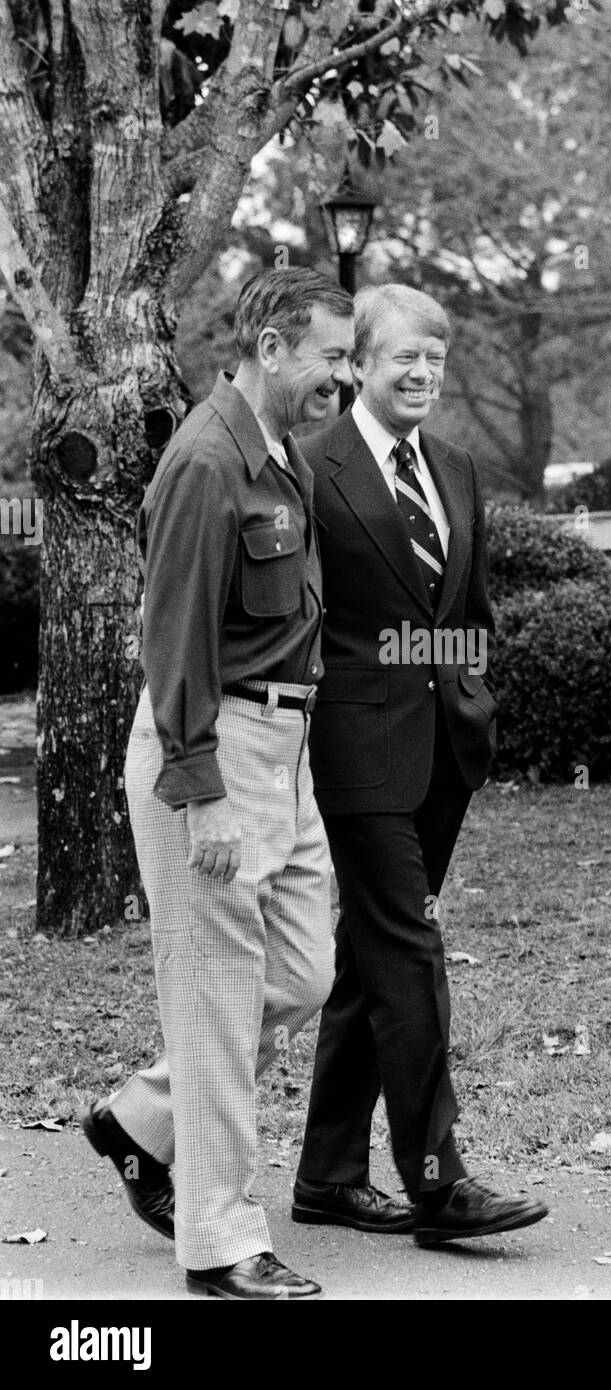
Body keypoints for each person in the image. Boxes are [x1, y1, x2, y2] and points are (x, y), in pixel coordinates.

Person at [81, 268, 355, 1300]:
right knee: (217, 1001)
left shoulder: (281, 453)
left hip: (282, 752)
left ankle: (140, 1118)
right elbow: (173, 636)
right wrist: (199, 789)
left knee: (303, 973)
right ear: (273, 346)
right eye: (331, 355)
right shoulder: (204, 459)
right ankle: (221, 1243)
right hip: (213, 747)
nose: (344, 374)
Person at [292, 283, 548, 1245]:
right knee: (408, 953)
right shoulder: (312, 467)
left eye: (437, 359)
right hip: (355, 753)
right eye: (405, 356)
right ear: (356, 362)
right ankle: (439, 1183)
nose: (423, 373)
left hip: (447, 753)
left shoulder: (456, 466)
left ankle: (325, 1177)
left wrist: (473, 699)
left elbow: (468, 610)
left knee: (366, 962)